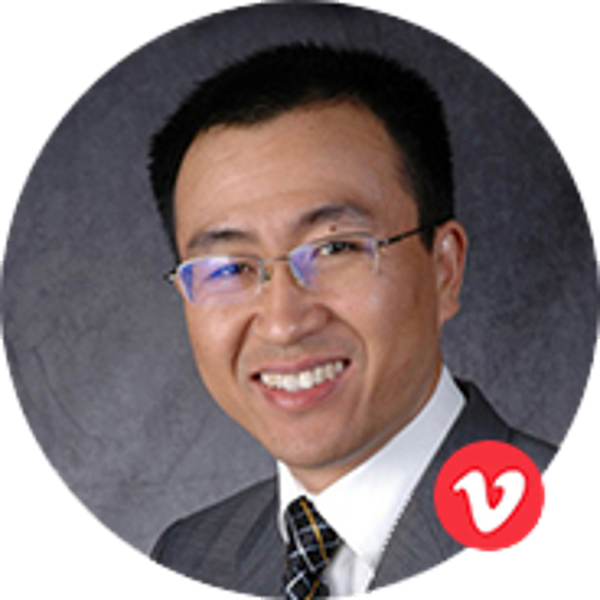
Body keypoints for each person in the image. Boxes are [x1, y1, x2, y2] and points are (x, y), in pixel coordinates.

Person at [147, 43, 556, 595]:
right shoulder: (189, 555)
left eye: (335, 248)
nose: (282, 323)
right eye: (229, 268)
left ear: (444, 269)